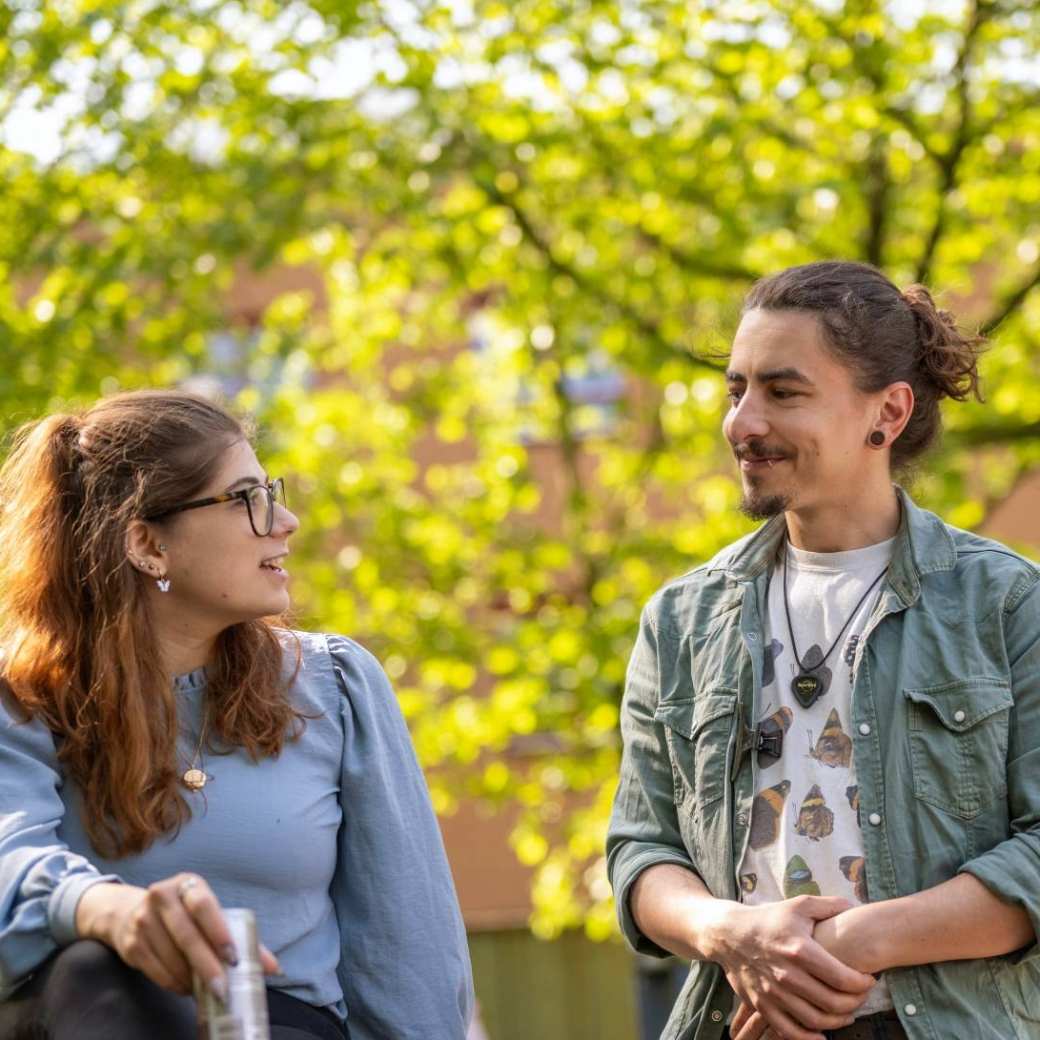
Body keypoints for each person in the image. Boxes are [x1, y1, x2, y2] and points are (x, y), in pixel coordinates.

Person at [606, 261, 1040, 1040]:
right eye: (736, 390)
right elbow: (643, 851)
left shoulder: (1007, 605)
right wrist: (729, 934)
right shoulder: (680, 619)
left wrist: (846, 944)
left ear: (889, 412)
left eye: (783, 391)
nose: (743, 422)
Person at [0, 390, 474, 1040]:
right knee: (89, 969)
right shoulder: (24, 697)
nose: (287, 521)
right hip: (98, 1019)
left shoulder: (335, 685)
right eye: (247, 498)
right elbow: (9, 859)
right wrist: (106, 911)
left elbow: (407, 956)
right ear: (146, 543)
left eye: (271, 491)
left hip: (285, 1027)